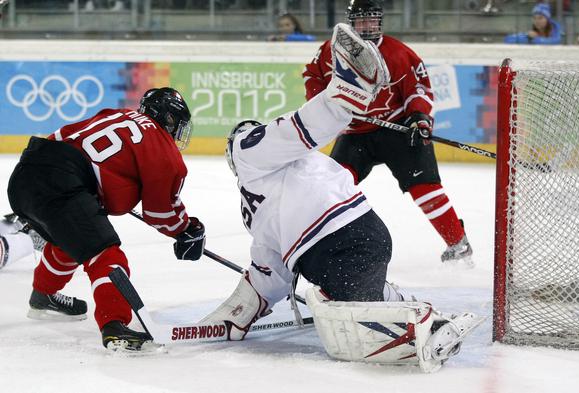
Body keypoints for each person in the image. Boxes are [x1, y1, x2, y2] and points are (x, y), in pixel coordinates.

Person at [201, 23, 479, 372]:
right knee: (356, 288)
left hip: (346, 226)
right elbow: (269, 267)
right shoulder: (257, 201)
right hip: (355, 228)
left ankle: (428, 327)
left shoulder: (249, 147)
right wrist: (236, 314)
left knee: (353, 314)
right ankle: (419, 309)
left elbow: (298, 128)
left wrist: (347, 100)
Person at [7, 87, 206, 352]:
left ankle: (43, 295)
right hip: (61, 184)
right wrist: (187, 229)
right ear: (169, 119)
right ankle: (114, 326)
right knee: (105, 255)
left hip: (25, 173)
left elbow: (61, 139)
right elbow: (161, 212)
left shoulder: (117, 115)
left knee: (70, 241)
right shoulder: (163, 148)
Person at [302, 0, 473, 265]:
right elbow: (312, 76)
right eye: (361, 20)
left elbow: (420, 89)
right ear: (352, 22)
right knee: (333, 186)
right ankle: (319, 246)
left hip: (399, 130)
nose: (367, 25)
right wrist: (324, 103)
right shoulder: (331, 50)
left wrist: (419, 119)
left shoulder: (399, 53)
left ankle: (457, 241)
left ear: (379, 21)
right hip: (355, 132)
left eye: (372, 19)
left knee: (425, 188)